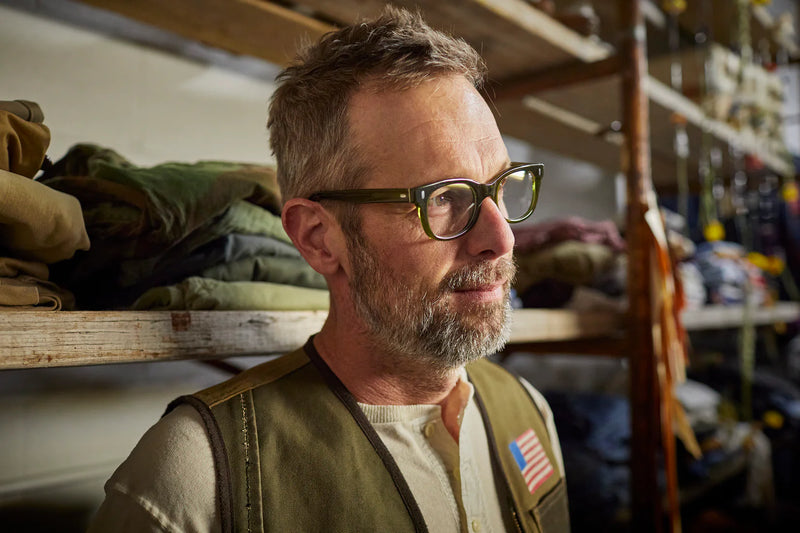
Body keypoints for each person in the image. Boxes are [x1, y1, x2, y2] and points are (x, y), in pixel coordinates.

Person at [88, 7, 568, 533]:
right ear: (319, 238)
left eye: (502, 186)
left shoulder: (528, 412)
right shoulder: (194, 479)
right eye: (442, 198)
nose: (502, 239)